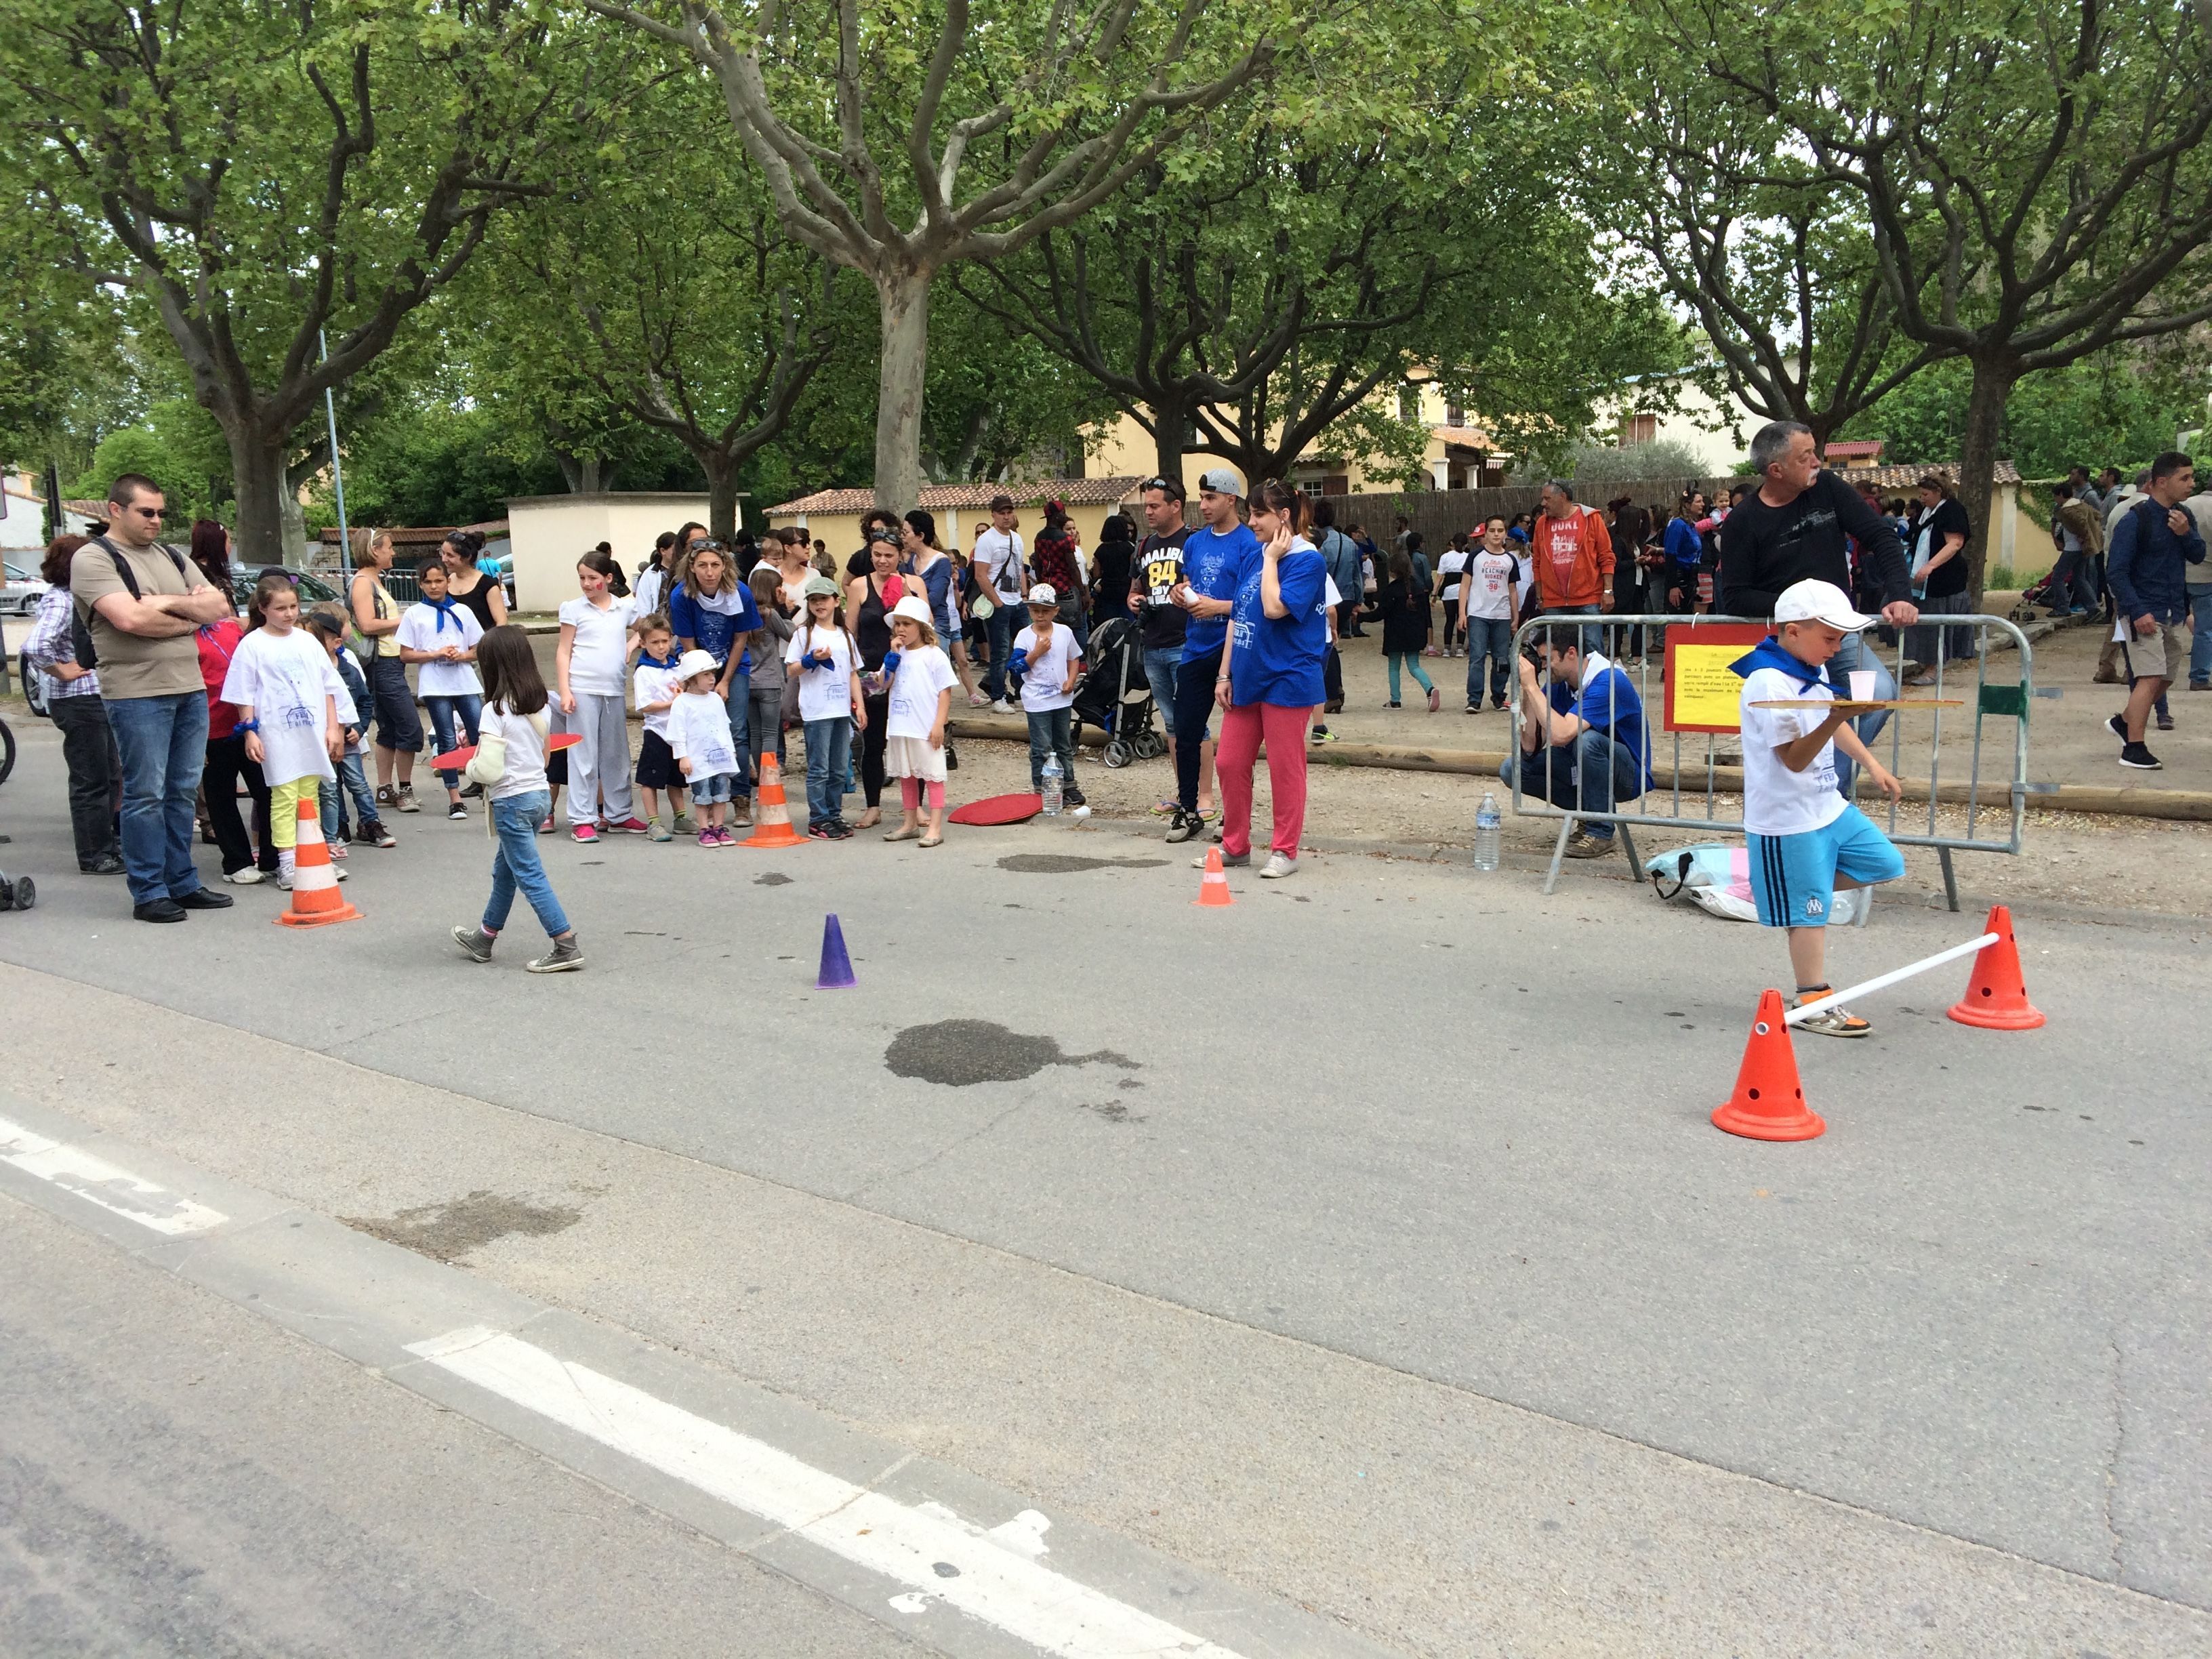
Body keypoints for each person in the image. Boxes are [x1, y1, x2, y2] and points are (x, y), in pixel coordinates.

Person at [1730, 579, 1907, 1036]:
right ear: (1793, 632)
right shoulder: (1768, 680)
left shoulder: (1812, 667)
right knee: (1811, 912)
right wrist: (1834, 718)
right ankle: (1812, 998)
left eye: (1841, 638)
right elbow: (1792, 759)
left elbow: (1833, 718)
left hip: (1827, 805)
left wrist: (1871, 763)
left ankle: (1786, 889)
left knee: (1884, 862)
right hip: (1787, 817)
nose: (1837, 647)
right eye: (1830, 638)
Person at [71, 474, 238, 922]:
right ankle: (149, 891)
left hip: (190, 688)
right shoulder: (93, 558)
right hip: (137, 693)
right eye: (147, 512)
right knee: (146, 794)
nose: (157, 520)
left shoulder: (171, 555)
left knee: (182, 791)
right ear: (116, 510)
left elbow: (219, 608)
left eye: (161, 512)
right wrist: (187, 611)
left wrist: (160, 603)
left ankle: (182, 882)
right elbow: (128, 619)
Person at [1719, 421, 1916, 794]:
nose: (1817, 462)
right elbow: (1736, 596)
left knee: (1878, 691)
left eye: (1815, 452)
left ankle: (1828, 790)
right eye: (1805, 456)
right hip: (1788, 640)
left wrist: (1900, 594)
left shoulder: (1827, 488)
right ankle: (1812, 789)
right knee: (1798, 716)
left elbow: (1880, 536)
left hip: (1837, 631)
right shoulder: (1742, 523)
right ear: (1776, 470)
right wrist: (1800, 609)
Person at [1208, 480, 1327, 880]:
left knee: (1284, 767)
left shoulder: (1307, 561)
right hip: (1248, 674)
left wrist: (1273, 560)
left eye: (1260, 514)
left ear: (1284, 516)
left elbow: (1275, 608)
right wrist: (1224, 673)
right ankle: (1235, 845)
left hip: (1288, 677)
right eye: (1251, 513)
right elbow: (1239, 615)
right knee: (1229, 762)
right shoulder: (1256, 554)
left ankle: (1284, 850)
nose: (1252, 521)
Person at [451, 626, 581, 971]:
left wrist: (469, 766)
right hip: (538, 795)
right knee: (506, 871)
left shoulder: (494, 710)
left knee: (529, 874)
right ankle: (484, 937)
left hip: (511, 800)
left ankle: (565, 943)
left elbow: (488, 769)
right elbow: (546, 757)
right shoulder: (541, 705)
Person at [219, 573, 346, 890]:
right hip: (277, 733)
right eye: (280, 608)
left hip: (311, 732)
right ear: (262, 609)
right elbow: (244, 693)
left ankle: (313, 855)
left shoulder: (307, 641)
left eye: (293, 607)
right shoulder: (252, 645)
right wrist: (250, 732)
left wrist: (334, 727)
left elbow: (329, 687)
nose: (289, 614)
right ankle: (287, 861)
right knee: (284, 795)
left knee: (310, 794)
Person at [1502, 626, 1652, 861]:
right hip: (1582, 764)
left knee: (1588, 741)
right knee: (1513, 769)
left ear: (1571, 653)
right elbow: (1530, 746)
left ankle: (1600, 831)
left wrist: (1532, 686)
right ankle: (1589, 814)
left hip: (1628, 773)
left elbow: (1561, 735)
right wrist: (1529, 689)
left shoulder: (1608, 681)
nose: (1543, 666)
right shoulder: (1559, 682)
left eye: (1547, 659)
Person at [1166, 470, 1258, 842]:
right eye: (1201, 497)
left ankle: (1236, 818)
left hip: (1234, 650)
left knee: (1239, 743)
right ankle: (1188, 809)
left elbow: (1257, 601)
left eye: (1211, 498)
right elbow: (1189, 582)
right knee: (1186, 732)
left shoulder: (1250, 543)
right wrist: (1180, 593)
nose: (1203, 505)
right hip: (1195, 648)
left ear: (1231, 499)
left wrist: (1217, 607)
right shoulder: (1194, 542)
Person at [26, 535, 124, 874]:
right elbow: (36, 645)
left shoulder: (77, 596)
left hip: (93, 697)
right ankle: (94, 854)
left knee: (109, 775)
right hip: (78, 699)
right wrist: (60, 669)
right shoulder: (62, 600)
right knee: (91, 779)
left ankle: (107, 844)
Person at [2105, 452, 2205, 770]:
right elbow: (2116, 572)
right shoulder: (2135, 520)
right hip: (2142, 612)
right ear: (2162, 482)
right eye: (2184, 478)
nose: (2191, 484)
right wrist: (2136, 611)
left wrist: (2186, 533)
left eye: (2192, 477)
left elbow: (2198, 554)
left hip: (2171, 610)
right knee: (2148, 677)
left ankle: (2124, 721)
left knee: (2165, 677)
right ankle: (2133, 749)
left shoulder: (2183, 516)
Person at [555, 548, 645, 840]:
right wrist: (565, 690)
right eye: (582, 578)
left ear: (608, 578)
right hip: (582, 687)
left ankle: (619, 813)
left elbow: (647, 628)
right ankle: (582, 817)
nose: (586, 584)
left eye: (592, 578)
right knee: (583, 755)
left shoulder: (624, 608)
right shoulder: (573, 609)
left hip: (613, 689)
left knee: (616, 753)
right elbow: (564, 650)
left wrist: (630, 646)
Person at [397, 556, 485, 820]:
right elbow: (405, 654)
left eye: (439, 581)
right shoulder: (414, 614)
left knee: (481, 734)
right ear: (420, 584)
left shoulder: (463, 611)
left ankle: (487, 787)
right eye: (428, 582)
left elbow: (479, 648)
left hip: (464, 681)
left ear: (448, 581)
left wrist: (462, 656)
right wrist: (435, 654)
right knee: (446, 739)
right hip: (436, 685)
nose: (434, 586)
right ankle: (454, 797)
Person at [348, 528, 422, 815]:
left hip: (391, 661)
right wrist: (404, 620)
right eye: (389, 547)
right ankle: (405, 790)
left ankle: (384, 788)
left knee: (389, 728)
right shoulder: (363, 583)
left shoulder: (374, 580)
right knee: (410, 727)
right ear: (374, 549)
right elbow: (367, 624)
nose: (393, 552)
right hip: (382, 664)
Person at [304, 605, 389, 851]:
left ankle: (371, 823)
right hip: (321, 741)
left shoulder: (348, 670)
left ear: (335, 643)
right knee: (330, 788)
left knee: (358, 784)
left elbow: (364, 702)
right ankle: (338, 829)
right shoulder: (307, 672)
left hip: (349, 739)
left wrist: (359, 729)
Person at [788, 574, 863, 838]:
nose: (819, 605)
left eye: (823, 599)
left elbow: (853, 673)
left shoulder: (845, 635)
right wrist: (811, 660)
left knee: (838, 767)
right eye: (813, 601)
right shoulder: (804, 634)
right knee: (819, 767)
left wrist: (859, 705)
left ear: (835, 601)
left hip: (841, 709)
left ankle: (834, 813)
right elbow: (792, 670)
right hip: (817, 710)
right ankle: (818, 818)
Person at [880, 594, 957, 846]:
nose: (901, 629)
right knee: (907, 775)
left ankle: (935, 828)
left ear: (921, 627)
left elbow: (945, 691)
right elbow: (883, 684)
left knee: (933, 775)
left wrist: (939, 724)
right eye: (898, 624)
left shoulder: (934, 655)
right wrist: (891, 659)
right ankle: (909, 823)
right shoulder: (896, 654)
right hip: (901, 724)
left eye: (907, 624)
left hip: (924, 725)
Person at [844, 528, 905, 827]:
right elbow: (849, 633)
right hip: (870, 671)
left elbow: (926, 624)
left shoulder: (912, 583)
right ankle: (873, 805)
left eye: (889, 555)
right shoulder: (859, 585)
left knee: (909, 740)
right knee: (872, 741)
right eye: (877, 555)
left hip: (905, 671)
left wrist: (904, 591)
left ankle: (915, 807)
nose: (882, 561)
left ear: (900, 556)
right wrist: (850, 675)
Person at [1014, 582, 1084, 803]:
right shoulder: (1024, 636)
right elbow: (1015, 667)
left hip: (1061, 699)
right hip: (1037, 701)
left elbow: (1074, 658)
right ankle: (1042, 787)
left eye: (1045, 611)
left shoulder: (1064, 632)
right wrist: (1036, 653)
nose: (1040, 615)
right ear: (1029, 611)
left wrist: (1071, 680)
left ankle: (1069, 784)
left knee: (1063, 745)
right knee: (1042, 747)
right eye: (1035, 610)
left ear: (1055, 611)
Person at [1903, 474, 1973, 685]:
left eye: (1925, 494)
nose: (1922, 499)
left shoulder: (1952, 510)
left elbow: (1955, 543)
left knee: (1935, 625)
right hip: (1924, 580)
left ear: (1939, 492)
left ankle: (1933, 668)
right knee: (1925, 624)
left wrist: (1931, 565)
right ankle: (1927, 663)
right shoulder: (1926, 514)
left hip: (1945, 580)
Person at [666, 647, 741, 846]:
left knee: (721, 794)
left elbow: (724, 726)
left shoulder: (715, 699)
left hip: (720, 757)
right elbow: (677, 732)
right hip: (698, 759)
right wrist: (683, 756)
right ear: (692, 678)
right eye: (706, 675)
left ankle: (719, 827)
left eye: (712, 674)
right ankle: (704, 829)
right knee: (702, 795)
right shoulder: (682, 703)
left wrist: (730, 749)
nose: (711, 679)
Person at [1530, 480, 1614, 645]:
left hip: (1589, 600)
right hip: (1553, 601)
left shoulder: (1591, 519)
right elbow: (1537, 563)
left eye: (1547, 498)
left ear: (1562, 497)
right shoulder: (1541, 524)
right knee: (1557, 652)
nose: (1543, 504)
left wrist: (1608, 591)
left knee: (1593, 650)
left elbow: (1606, 557)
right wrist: (1540, 597)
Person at [630, 613, 687, 841]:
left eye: (665, 641)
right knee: (650, 780)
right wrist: (672, 703)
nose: (661, 647)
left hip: (676, 733)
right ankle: (653, 822)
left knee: (676, 778)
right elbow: (645, 705)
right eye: (655, 642)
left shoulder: (676, 667)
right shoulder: (644, 671)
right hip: (657, 732)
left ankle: (681, 817)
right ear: (643, 643)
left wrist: (683, 693)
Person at [1460, 516, 1519, 712]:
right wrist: (1462, 613)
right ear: (1485, 533)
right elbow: (1465, 585)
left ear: (1505, 534)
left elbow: (1512, 590)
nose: (1496, 534)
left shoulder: (1510, 559)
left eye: (1500, 531)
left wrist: (1515, 616)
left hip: (1501, 615)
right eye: (1492, 530)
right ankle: (1474, 699)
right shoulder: (1475, 556)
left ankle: (1499, 697)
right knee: (1477, 656)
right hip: (1478, 613)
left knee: (1502, 658)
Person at [744, 565, 794, 776]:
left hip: (748, 681)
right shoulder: (769, 614)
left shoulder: (744, 612)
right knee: (770, 733)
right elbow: (790, 634)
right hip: (770, 681)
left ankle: (760, 773)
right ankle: (769, 777)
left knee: (755, 733)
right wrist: (785, 609)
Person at [1377, 546, 1437, 710]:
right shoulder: (1419, 588)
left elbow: (1380, 613)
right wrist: (1427, 632)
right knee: (1414, 666)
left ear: (1392, 571)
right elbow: (1426, 614)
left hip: (1395, 635)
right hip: (1415, 633)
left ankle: (1395, 700)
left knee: (1394, 667)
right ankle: (1430, 689)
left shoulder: (1391, 590)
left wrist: (1360, 616)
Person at [1031, 503, 1087, 652]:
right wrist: (1082, 592)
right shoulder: (1065, 539)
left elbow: (1038, 566)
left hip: (1048, 591)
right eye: (1063, 513)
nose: (1065, 516)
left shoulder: (1039, 537)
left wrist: (1042, 585)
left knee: (1051, 630)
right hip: (1066, 590)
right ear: (1056, 516)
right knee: (1076, 629)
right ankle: (1079, 659)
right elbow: (1073, 568)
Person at [2049, 483, 2104, 617]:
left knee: (2057, 578)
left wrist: (2083, 535)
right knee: (2079, 578)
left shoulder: (2067, 510)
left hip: (2072, 548)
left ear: (2061, 494)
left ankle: (2063, 607)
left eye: (2056, 496)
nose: (2055, 500)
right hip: (2082, 548)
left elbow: (2081, 523)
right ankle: (2092, 607)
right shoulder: (2082, 505)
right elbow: (2097, 515)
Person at [442, 529, 509, 635]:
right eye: (443, 553)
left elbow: (501, 623)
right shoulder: (445, 582)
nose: (444, 559)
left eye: (450, 555)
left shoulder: (488, 585)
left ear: (467, 557)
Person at [1091, 510, 1137, 623]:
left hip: (1108, 592)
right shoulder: (1129, 548)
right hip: (1126, 590)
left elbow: (1097, 574)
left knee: (1110, 624)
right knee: (1129, 622)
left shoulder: (1100, 550)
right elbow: (1134, 570)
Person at [1435, 533, 1469, 656]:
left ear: (1452, 543)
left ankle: (1447, 649)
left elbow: (1439, 577)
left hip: (1448, 592)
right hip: (1463, 592)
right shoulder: (1469, 557)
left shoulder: (1445, 557)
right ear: (1466, 545)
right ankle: (1460, 648)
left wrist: (1434, 594)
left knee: (1449, 620)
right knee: (1462, 618)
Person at [634, 532, 676, 616]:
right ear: (663, 551)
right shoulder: (650, 574)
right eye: (674, 549)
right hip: (660, 620)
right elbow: (643, 604)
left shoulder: (684, 570)